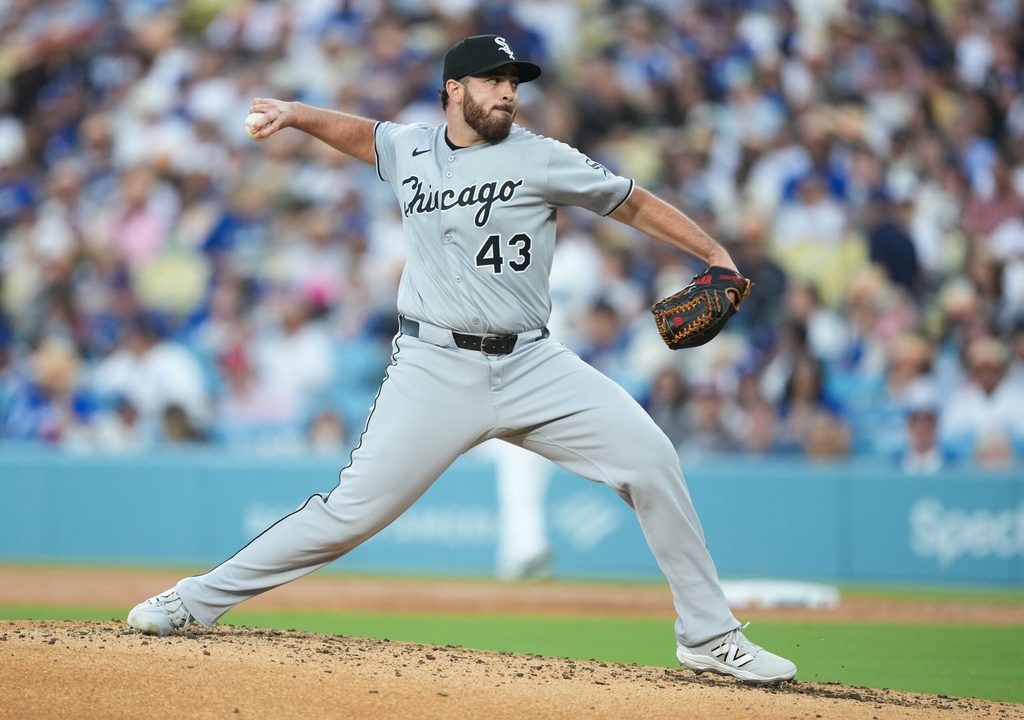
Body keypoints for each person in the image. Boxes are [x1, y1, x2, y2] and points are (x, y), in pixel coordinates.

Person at [126, 34, 796, 684]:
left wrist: (714, 255)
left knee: (651, 460)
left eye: (513, 83)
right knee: (349, 514)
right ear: (454, 89)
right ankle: (194, 599)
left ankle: (710, 637)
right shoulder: (411, 146)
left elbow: (634, 203)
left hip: (534, 364)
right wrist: (298, 115)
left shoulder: (542, 156)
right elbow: (365, 136)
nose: (508, 93)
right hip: (434, 367)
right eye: (494, 81)